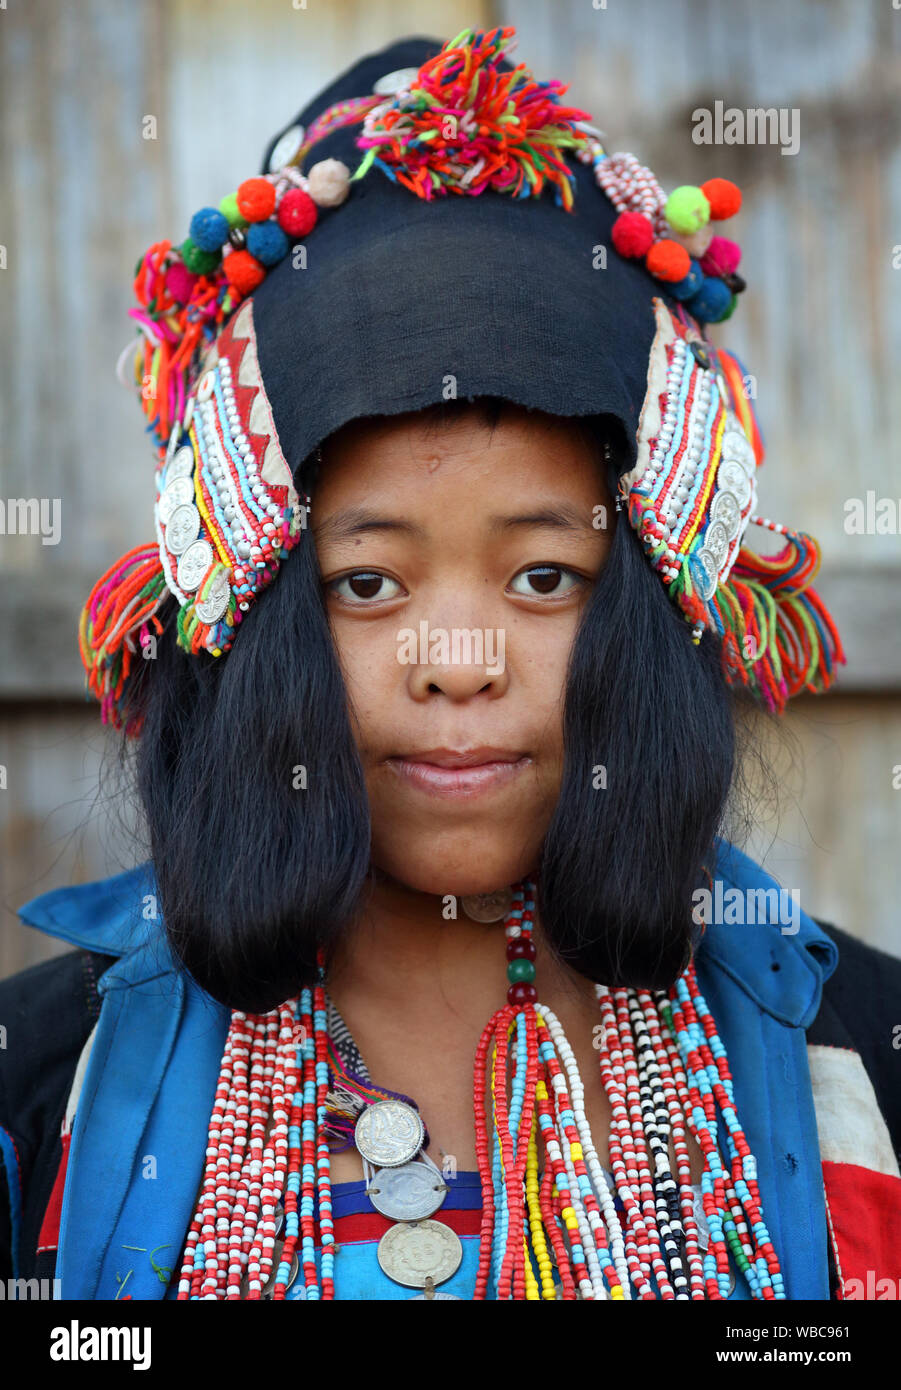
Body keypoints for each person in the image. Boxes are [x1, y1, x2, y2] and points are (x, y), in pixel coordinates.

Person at [2, 26, 899, 1303]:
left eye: (545, 576)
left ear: (652, 607)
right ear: (249, 617)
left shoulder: (857, 1057)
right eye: (366, 583)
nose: (460, 664)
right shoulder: (43, 1091)